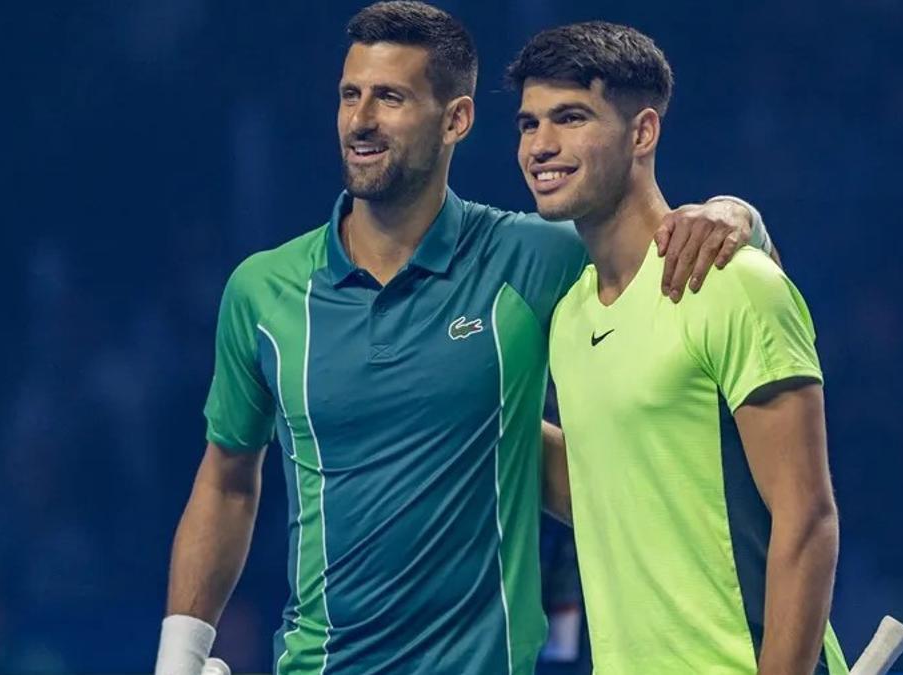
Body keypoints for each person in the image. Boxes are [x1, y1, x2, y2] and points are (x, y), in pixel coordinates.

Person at [155, 3, 773, 674]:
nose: (361, 120)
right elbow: (226, 483)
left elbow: (671, 254)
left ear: (456, 119)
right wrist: (178, 657)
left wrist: (736, 214)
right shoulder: (262, 291)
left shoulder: (532, 258)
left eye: (389, 98)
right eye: (349, 96)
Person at [510, 21, 849, 674]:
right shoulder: (569, 316)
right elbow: (603, 488)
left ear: (642, 133)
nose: (541, 146)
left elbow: (807, 520)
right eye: (529, 124)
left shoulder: (734, 282)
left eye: (571, 117)